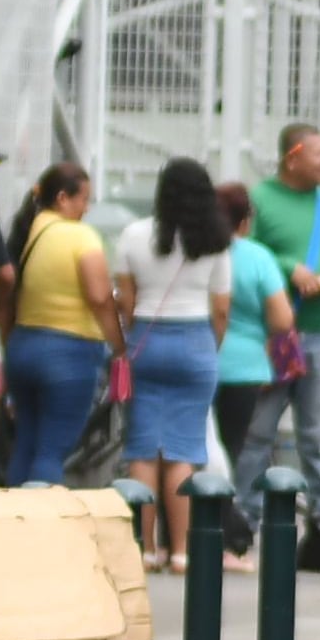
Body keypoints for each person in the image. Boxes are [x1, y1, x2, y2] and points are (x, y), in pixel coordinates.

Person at [112, 158, 234, 570]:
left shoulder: (133, 235)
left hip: (146, 339)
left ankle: (143, 548)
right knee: (183, 448)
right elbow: (221, 309)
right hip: (196, 339)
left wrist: (132, 339)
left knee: (143, 449)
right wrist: (208, 348)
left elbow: (125, 303)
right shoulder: (217, 240)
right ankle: (181, 551)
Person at [243, 122, 320, 544]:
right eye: (319, 153)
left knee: (319, 435)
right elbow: (245, 253)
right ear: (293, 156)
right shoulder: (260, 200)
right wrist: (291, 268)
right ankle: (244, 519)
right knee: (258, 432)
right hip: (274, 336)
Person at [1, 163, 112, 488]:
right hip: (68, 355)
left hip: (22, 349)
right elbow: (99, 295)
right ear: (63, 198)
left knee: (26, 442)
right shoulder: (79, 235)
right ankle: (39, 530)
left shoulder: (28, 232)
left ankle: (12, 524)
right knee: (51, 451)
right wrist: (118, 344)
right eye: (83, 199)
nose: (86, 208)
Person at [210, 181, 287, 558]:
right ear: (244, 221)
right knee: (233, 446)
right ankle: (229, 527)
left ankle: (186, 528)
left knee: (196, 449)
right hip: (245, 367)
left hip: (203, 360)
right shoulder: (257, 258)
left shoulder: (195, 252)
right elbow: (282, 318)